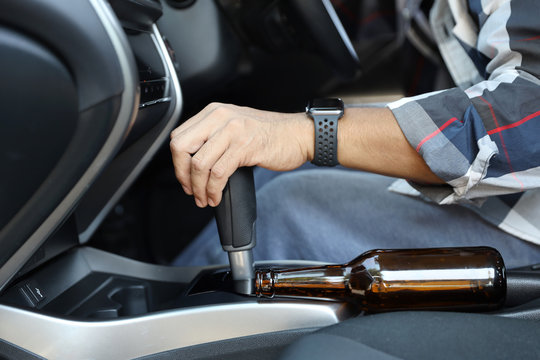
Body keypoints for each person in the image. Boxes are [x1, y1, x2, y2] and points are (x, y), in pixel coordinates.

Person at [169, 0, 540, 268]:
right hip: (492, 195)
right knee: (271, 177)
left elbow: (524, 115)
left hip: (526, 228)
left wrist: (309, 133)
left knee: (287, 211)